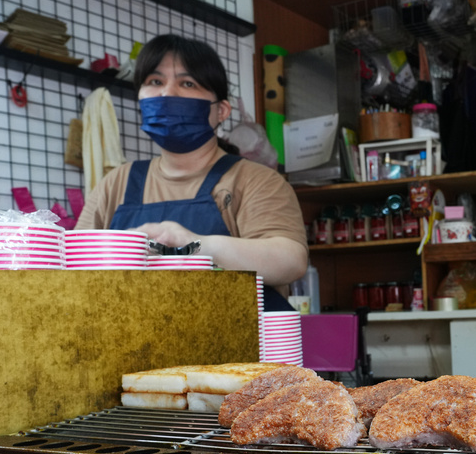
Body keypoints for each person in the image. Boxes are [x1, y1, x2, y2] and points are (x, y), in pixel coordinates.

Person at [75, 34, 308, 311]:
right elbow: (76, 264)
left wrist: (193, 245)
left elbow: (290, 261)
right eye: (155, 82)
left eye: (187, 83)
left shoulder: (254, 181)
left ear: (221, 110)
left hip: (234, 351)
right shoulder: (117, 183)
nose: (167, 93)